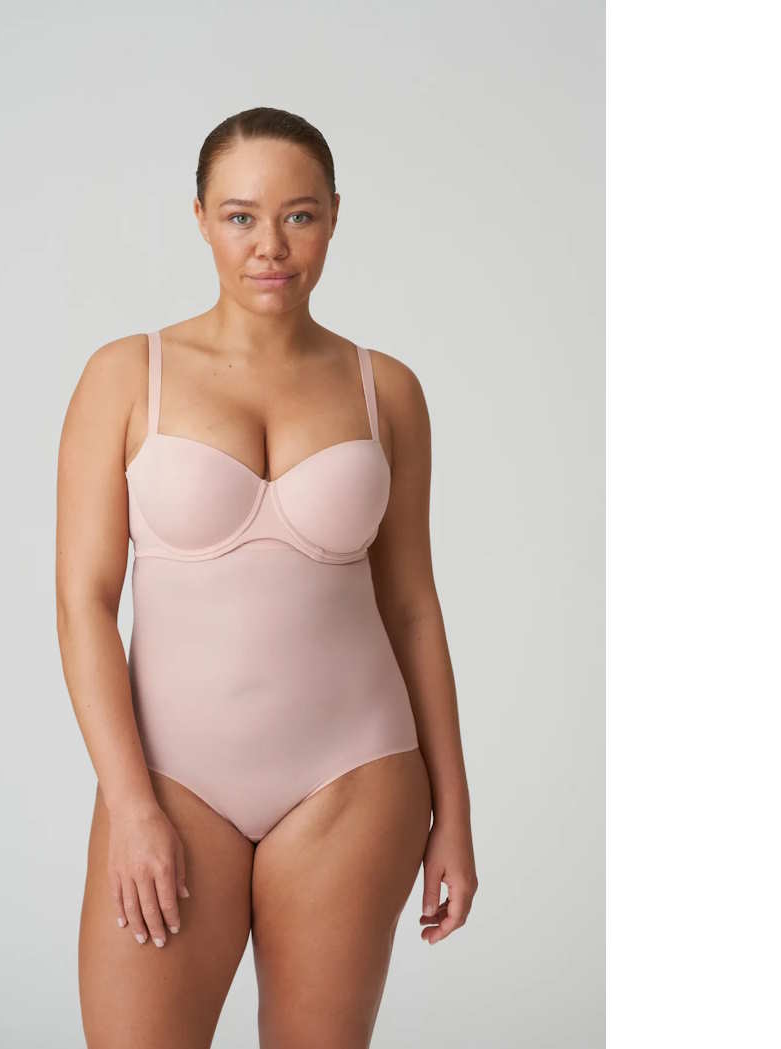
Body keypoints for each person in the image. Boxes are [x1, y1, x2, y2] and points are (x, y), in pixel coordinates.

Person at [56, 106, 477, 1048]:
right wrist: (130, 804)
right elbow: (83, 603)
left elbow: (412, 607)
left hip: (353, 779)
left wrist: (453, 812)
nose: (270, 246)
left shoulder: (386, 388)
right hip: (170, 781)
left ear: (333, 216)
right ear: (200, 219)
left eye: (299, 216)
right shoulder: (125, 375)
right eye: (241, 216)